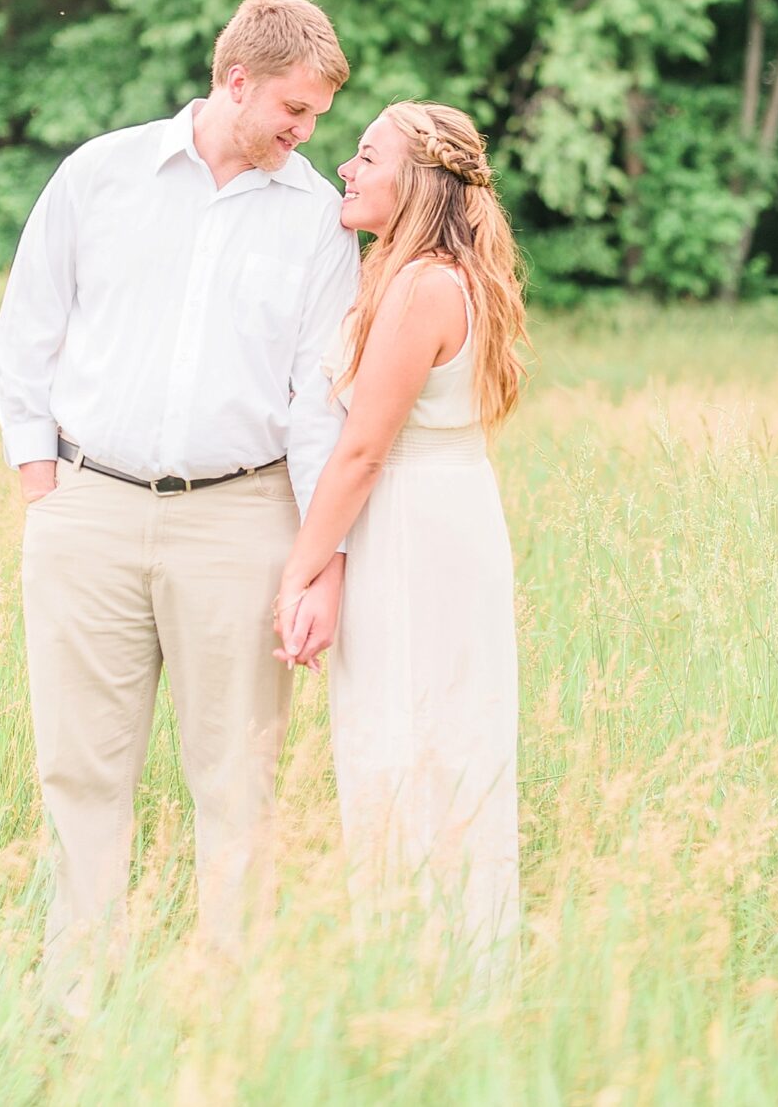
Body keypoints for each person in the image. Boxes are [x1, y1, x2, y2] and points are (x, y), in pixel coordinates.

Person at [0, 0, 360, 1007]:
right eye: (293, 106)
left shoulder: (319, 222)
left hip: (242, 521)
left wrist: (313, 561)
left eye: (318, 115)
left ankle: (228, 1010)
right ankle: (76, 1001)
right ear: (235, 80)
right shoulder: (100, 174)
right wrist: (40, 476)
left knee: (238, 779)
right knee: (80, 769)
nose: (305, 129)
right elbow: (30, 323)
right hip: (88, 510)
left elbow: (316, 405)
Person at [275, 99, 528, 965]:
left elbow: (360, 451)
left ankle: (428, 964)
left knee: (416, 740)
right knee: (432, 737)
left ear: (414, 180)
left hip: (416, 532)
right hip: (442, 515)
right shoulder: (429, 273)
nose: (347, 167)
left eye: (366, 156)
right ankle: (432, 955)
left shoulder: (423, 286)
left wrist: (300, 572)